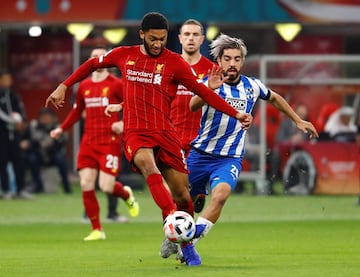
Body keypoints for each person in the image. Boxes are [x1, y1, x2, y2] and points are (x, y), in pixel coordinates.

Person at [46, 12, 251, 266]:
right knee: (148, 166)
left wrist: (236, 113)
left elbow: (203, 93)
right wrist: (64, 85)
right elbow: (91, 65)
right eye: (153, 39)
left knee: (183, 197)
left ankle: (173, 233)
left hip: (166, 132)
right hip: (136, 132)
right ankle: (179, 236)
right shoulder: (124, 55)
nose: (157, 44)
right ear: (142, 34)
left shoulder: (174, 62)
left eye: (162, 39)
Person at [179, 33, 318, 261]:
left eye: (236, 59)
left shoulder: (252, 86)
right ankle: (182, 226)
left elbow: (274, 98)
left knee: (221, 197)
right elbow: (193, 106)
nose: (232, 64)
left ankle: (189, 244)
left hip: (229, 158)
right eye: (227, 59)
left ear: (242, 61)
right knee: (185, 203)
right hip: (201, 154)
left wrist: (297, 120)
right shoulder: (209, 81)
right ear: (220, 61)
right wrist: (209, 90)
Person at [49, 46, 140, 241]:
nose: (98, 60)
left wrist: (123, 123)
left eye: (101, 57)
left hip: (109, 141)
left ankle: (125, 194)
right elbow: (76, 111)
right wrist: (61, 129)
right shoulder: (84, 86)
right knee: (85, 183)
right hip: (88, 141)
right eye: (94, 57)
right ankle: (97, 229)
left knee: (106, 186)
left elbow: (134, 104)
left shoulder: (116, 84)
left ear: (108, 60)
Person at [21, 108, 72, 194]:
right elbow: (25, 139)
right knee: (30, 159)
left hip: (52, 155)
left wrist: (50, 143)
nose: (45, 119)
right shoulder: (33, 126)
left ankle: (66, 186)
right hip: (37, 155)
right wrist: (25, 143)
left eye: (48, 117)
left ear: (53, 118)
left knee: (60, 159)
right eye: (43, 117)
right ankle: (37, 185)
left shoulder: (57, 128)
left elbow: (62, 142)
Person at [0, 68, 31, 199]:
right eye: (5, 79)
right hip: (2, 135)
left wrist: (22, 122)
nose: (8, 81)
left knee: (19, 161)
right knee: (3, 162)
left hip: (16, 135)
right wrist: (13, 122)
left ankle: (21, 189)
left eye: (9, 79)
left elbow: (21, 111)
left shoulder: (14, 96)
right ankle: (6, 190)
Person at [267, 103, 310, 194]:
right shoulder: (285, 124)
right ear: (295, 113)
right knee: (275, 155)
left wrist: (302, 140)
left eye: (304, 115)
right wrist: (291, 140)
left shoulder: (307, 126)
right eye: (300, 114)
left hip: (301, 153)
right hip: (285, 152)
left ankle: (307, 185)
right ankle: (271, 185)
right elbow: (279, 139)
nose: (302, 117)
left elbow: (311, 141)